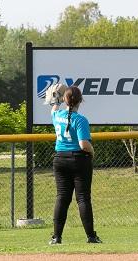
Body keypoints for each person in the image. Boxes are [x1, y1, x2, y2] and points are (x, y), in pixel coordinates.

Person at [47, 85, 101, 244]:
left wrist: (56, 98)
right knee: (83, 198)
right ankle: (91, 236)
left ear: (65, 100)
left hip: (60, 159)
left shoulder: (57, 115)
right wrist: (92, 152)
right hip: (79, 159)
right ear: (80, 101)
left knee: (62, 198)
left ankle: (57, 237)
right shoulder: (80, 120)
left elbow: (53, 110)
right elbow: (84, 144)